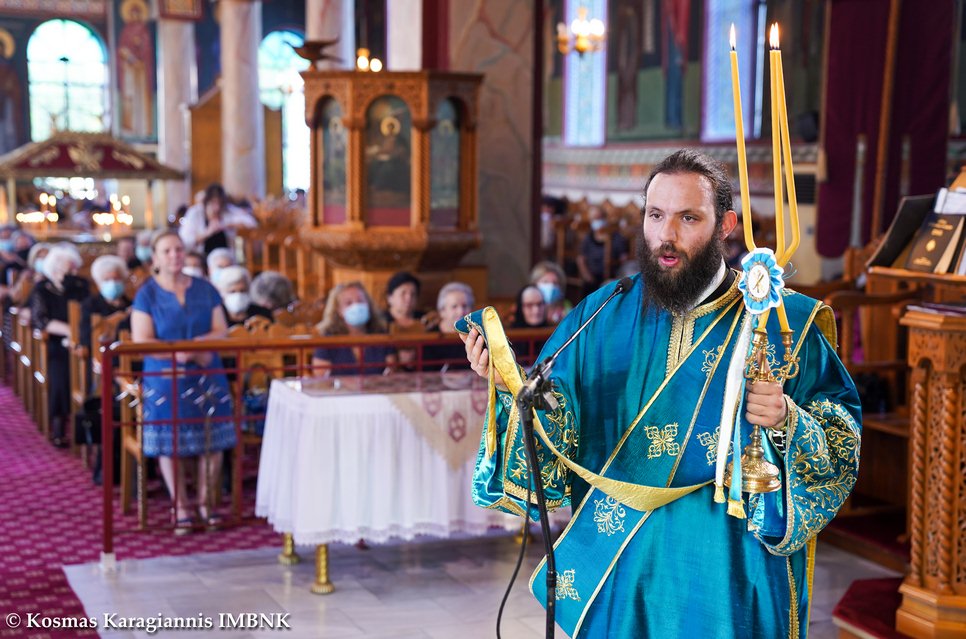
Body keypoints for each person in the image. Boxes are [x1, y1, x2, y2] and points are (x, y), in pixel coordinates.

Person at [460, 150, 861, 638]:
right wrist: (510, 384)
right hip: (623, 575)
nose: (666, 236)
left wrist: (787, 420)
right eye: (655, 215)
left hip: (727, 577)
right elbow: (557, 412)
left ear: (725, 225)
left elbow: (840, 440)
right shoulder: (604, 311)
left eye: (687, 218)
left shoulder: (781, 323)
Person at [131, 230, 235, 532]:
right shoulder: (147, 294)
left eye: (178, 249)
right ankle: (180, 506)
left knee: (213, 440)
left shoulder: (205, 288)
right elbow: (142, 340)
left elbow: (221, 330)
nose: (174, 255)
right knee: (170, 442)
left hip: (206, 370)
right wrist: (178, 354)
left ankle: (206, 502)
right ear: (155, 258)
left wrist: (198, 345)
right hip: (165, 376)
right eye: (167, 251)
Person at [27, 244, 89, 447]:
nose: (72, 273)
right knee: (60, 374)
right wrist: (69, 330)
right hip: (56, 342)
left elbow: (88, 311)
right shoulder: (42, 289)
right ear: (54, 269)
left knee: (90, 370)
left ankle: (87, 423)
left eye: (74, 268)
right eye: (68, 269)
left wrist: (78, 334)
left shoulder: (80, 286)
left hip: (81, 340)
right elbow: (40, 319)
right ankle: (59, 425)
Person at [311, 282, 392, 377]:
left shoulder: (381, 335)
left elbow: (391, 369)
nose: (356, 306)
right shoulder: (328, 339)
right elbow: (320, 374)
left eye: (360, 301)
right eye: (349, 303)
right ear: (339, 310)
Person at [178, 183, 257, 255]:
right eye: (213, 202)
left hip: (225, 257)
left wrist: (228, 225)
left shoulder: (227, 210)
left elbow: (251, 222)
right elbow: (185, 241)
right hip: (200, 257)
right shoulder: (195, 213)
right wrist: (208, 232)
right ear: (206, 202)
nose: (217, 207)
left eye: (220, 203)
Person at [577, 205, 629, 295]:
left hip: (611, 277)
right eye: (594, 219)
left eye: (600, 218)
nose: (597, 221)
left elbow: (624, 258)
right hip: (592, 276)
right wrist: (586, 275)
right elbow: (581, 259)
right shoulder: (588, 237)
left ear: (605, 218)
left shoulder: (616, 237)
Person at [423, 281, 473, 370]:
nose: (461, 312)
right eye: (454, 306)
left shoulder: (477, 335)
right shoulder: (429, 337)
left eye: (465, 306)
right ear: (442, 311)